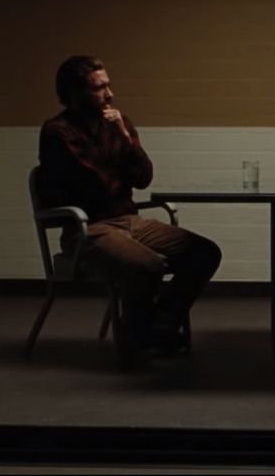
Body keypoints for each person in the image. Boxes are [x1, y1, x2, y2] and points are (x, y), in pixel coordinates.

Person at [36, 55, 221, 360]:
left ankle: (156, 329)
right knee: (147, 265)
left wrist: (126, 139)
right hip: (87, 228)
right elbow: (96, 183)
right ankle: (140, 339)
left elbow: (144, 177)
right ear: (74, 92)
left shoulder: (118, 124)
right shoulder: (58, 131)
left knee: (204, 252)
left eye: (108, 85)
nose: (109, 94)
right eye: (99, 88)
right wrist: (121, 170)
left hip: (129, 220)